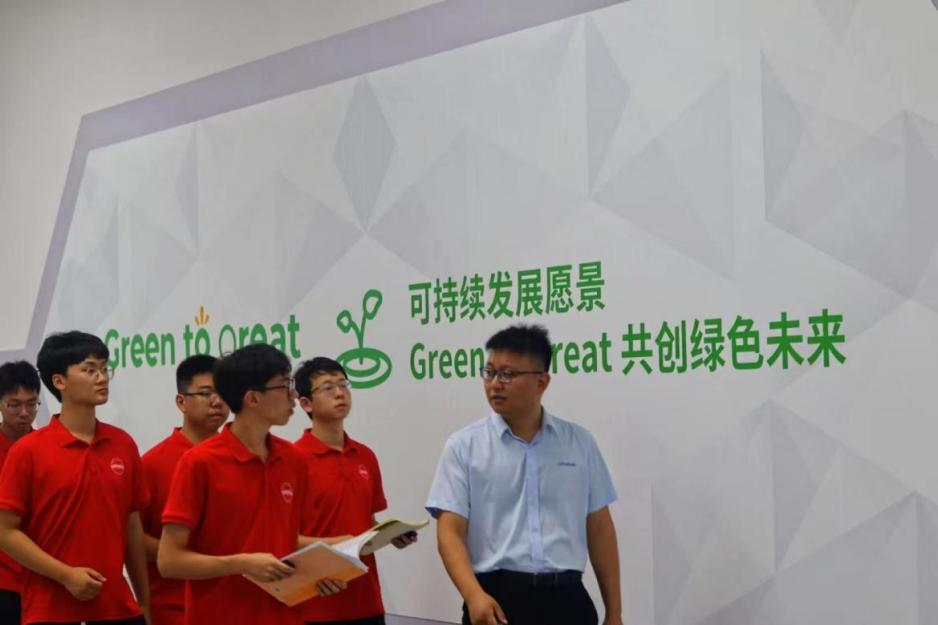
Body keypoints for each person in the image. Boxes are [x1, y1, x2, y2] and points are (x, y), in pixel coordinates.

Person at [426, 325, 622, 625]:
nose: (495, 384)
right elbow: (449, 532)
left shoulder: (579, 443)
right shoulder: (464, 446)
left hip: (568, 599)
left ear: (541, 381)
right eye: (489, 372)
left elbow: (599, 529)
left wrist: (615, 612)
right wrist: (473, 595)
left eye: (507, 374)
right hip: (496, 600)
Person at [157, 344, 345, 625]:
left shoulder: (293, 459)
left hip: (285, 616)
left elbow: (286, 540)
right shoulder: (200, 462)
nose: (293, 395)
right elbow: (169, 561)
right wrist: (242, 563)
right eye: (284, 385)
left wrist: (319, 573)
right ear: (253, 398)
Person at [0, 331, 149, 625]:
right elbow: (5, 531)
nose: (101, 378)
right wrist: (65, 575)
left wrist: (144, 602)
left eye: (104, 369)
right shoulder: (29, 451)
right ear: (59, 381)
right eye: (89, 370)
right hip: (49, 610)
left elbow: (131, 527)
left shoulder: (123, 444)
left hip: (118, 608)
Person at [293, 357, 416, 625]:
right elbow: (283, 537)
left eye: (343, 384)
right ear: (305, 403)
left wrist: (389, 535)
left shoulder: (365, 456)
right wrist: (338, 543)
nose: (340, 393)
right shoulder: (292, 460)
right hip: (315, 603)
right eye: (328, 387)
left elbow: (366, 521)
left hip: (367, 601)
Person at [141, 355, 229, 625]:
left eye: (223, 392)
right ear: (181, 402)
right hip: (175, 610)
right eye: (206, 393)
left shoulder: (239, 457)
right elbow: (132, 537)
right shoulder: (153, 463)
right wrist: (190, 559)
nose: (217, 401)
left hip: (234, 606)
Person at [0, 360, 42, 623]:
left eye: (31, 404)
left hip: (44, 577)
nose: (24, 413)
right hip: (4, 582)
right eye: (14, 405)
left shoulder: (47, 450)